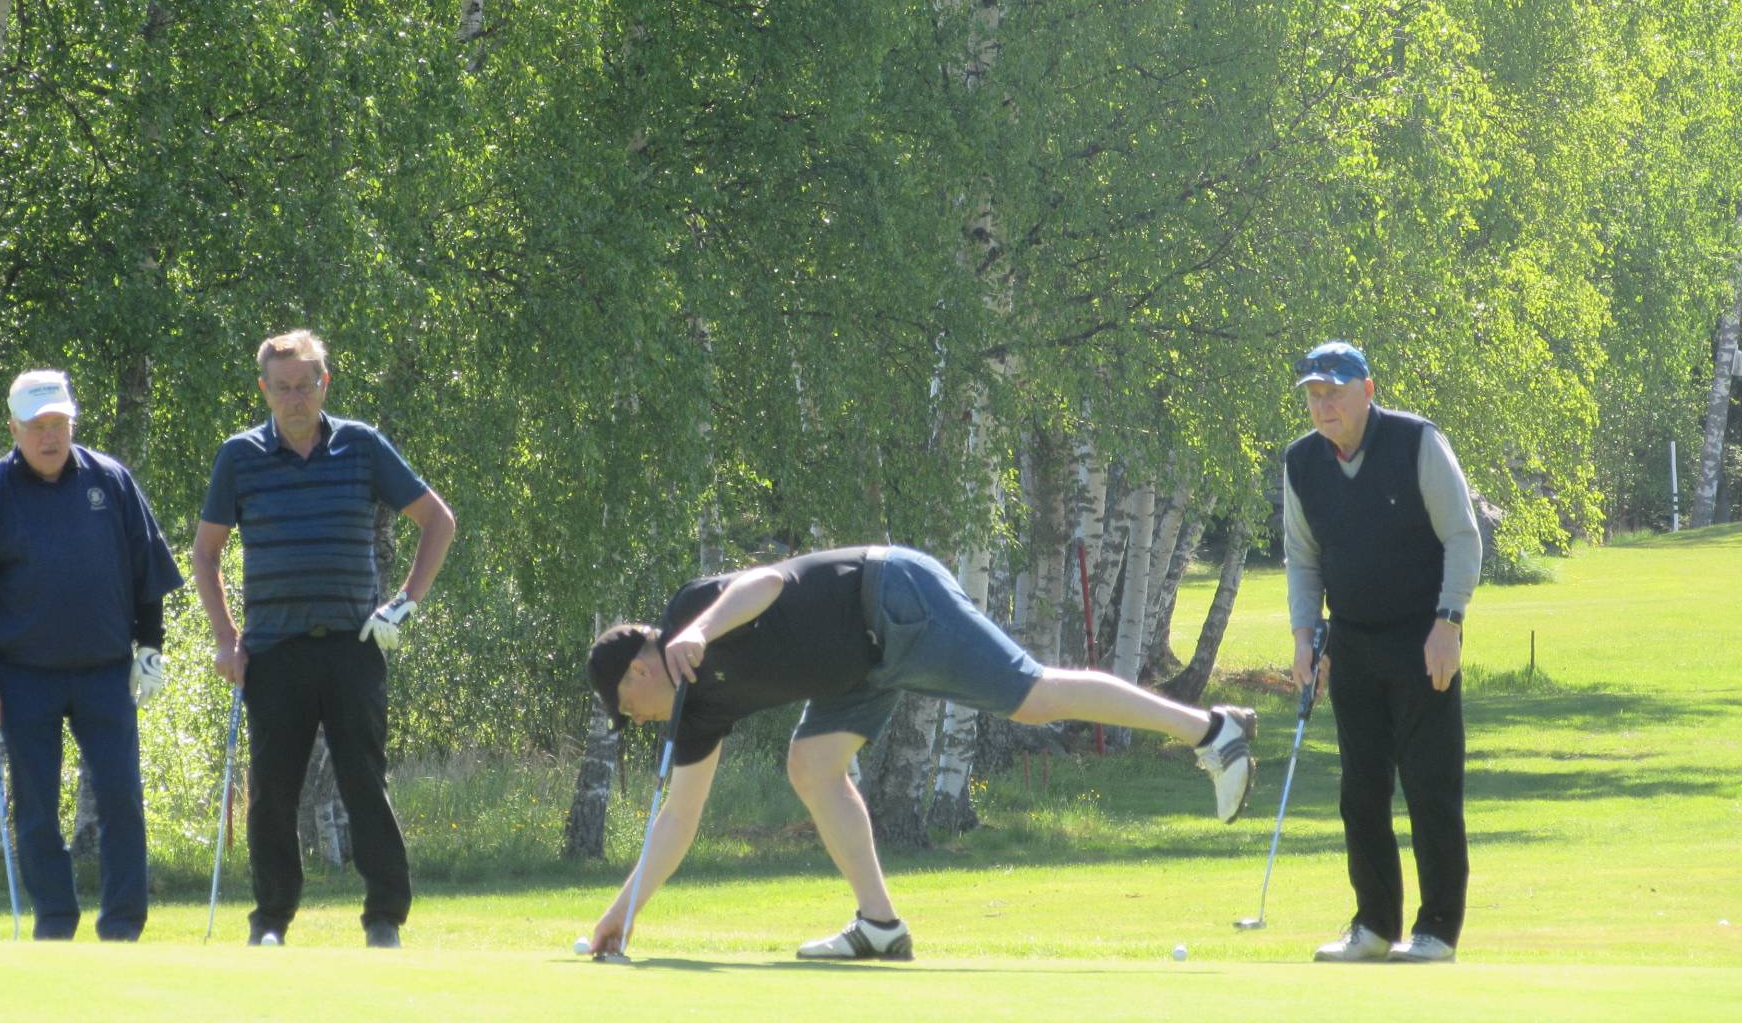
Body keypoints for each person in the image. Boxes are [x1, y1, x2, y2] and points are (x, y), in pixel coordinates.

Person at [581, 545, 1259, 960]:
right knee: (811, 764)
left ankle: (1211, 731)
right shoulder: (697, 711)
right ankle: (879, 923)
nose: (636, 721)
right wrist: (624, 912)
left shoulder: (689, 610)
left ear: (635, 673)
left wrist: (698, 631)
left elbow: (769, 583)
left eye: (627, 708)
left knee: (1033, 695)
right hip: (861, 670)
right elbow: (678, 816)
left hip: (892, 594)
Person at [192, 329, 455, 949]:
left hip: (351, 643)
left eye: (305, 385)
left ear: (323, 384)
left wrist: (404, 605)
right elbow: (206, 554)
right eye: (281, 388)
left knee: (363, 780)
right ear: (265, 390)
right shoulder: (240, 456)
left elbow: (437, 521)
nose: (294, 398)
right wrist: (227, 638)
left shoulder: (360, 446)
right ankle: (271, 922)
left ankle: (384, 917)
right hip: (274, 649)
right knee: (273, 791)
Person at [0, 369, 184, 941]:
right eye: (37, 427)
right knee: (36, 809)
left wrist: (150, 650)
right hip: (22, 676)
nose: (50, 437)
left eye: (58, 424)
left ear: (71, 422)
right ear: (14, 428)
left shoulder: (111, 480)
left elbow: (147, 575)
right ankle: (55, 921)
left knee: (121, 800)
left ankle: (123, 925)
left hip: (106, 671)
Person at [1283, 341, 1480, 964]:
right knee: (1361, 791)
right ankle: (1372, 925)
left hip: (1424, 641)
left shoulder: (1417, 442)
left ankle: (1438, 930)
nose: (1324, 405)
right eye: (1314, 395)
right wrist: (1305, 638)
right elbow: (1303, 558)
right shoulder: (1302, 463)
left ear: (1368, 390)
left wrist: (1448, 621)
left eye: (1335, 392)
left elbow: (1462, 537)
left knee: (1430, 788)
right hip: (1353, 643)